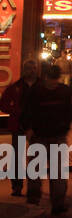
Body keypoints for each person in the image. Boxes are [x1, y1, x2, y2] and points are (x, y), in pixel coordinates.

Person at [20, 62, 72, 214]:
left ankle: (49, 201)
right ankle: (47, 200)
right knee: (45, 171)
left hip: (51, 135)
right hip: (44, 135)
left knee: (48, 171)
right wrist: (28, 128)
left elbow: (27, 110)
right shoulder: (60, 91)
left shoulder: (38, 91)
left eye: (54, 79)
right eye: (52, 79)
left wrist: (28, 127)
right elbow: (71, 111)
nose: (53, 83)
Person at [1, 60, 38, 197]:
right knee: (17, 157)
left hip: (36, 126)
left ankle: (34, 187)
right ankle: (17, 186)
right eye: (29, 68)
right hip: (19, 125)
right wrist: (15, 111)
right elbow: (3, 104)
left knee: (36, 158)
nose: (32, 70)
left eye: (33, 68)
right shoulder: (16, 86)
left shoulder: (40, 86)